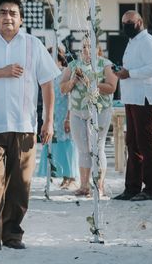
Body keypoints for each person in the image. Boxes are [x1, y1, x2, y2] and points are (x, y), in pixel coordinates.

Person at [0, 0, 60, 252]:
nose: (8, 17)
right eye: (3, 12)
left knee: (20, 183)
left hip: (25, 125)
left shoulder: (33, 45)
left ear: (21, 19)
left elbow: (48, 83)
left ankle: (12, 234)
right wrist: (1, 71)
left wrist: (48, 121)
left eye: (13, 13)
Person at [114, 10, 152, 201]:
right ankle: (132, 187)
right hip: (131, 97)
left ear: (140, 22)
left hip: (144, 97)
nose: (126, 26)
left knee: (145, 143)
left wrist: (131, 73)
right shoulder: (132, 42)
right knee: (132, 143)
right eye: (123, 23)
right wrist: (121, 72)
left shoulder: (147, 41)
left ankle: (151, 189)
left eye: (129, 22)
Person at [60, 38, 117, 197]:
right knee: (82, 149)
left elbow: (112, 87)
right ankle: (84, 186)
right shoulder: (73, 65)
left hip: (99, 110)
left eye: (89, 46)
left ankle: (99, 186)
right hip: (77, 111)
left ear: (97, 48)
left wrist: (90, 83)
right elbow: (62, 89)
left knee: (97, 148)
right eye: (83, 46)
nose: (85, 49)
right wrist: (72, 81)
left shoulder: (105, 64)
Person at [36, 49, 78, 189]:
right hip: (52, 115)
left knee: (67, 144)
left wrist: (68, 118)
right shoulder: (46, 74)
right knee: (53, 145)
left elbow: (71, 96)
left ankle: (70, 177)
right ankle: (61, 175)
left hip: (64, 113)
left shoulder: (65, 72)